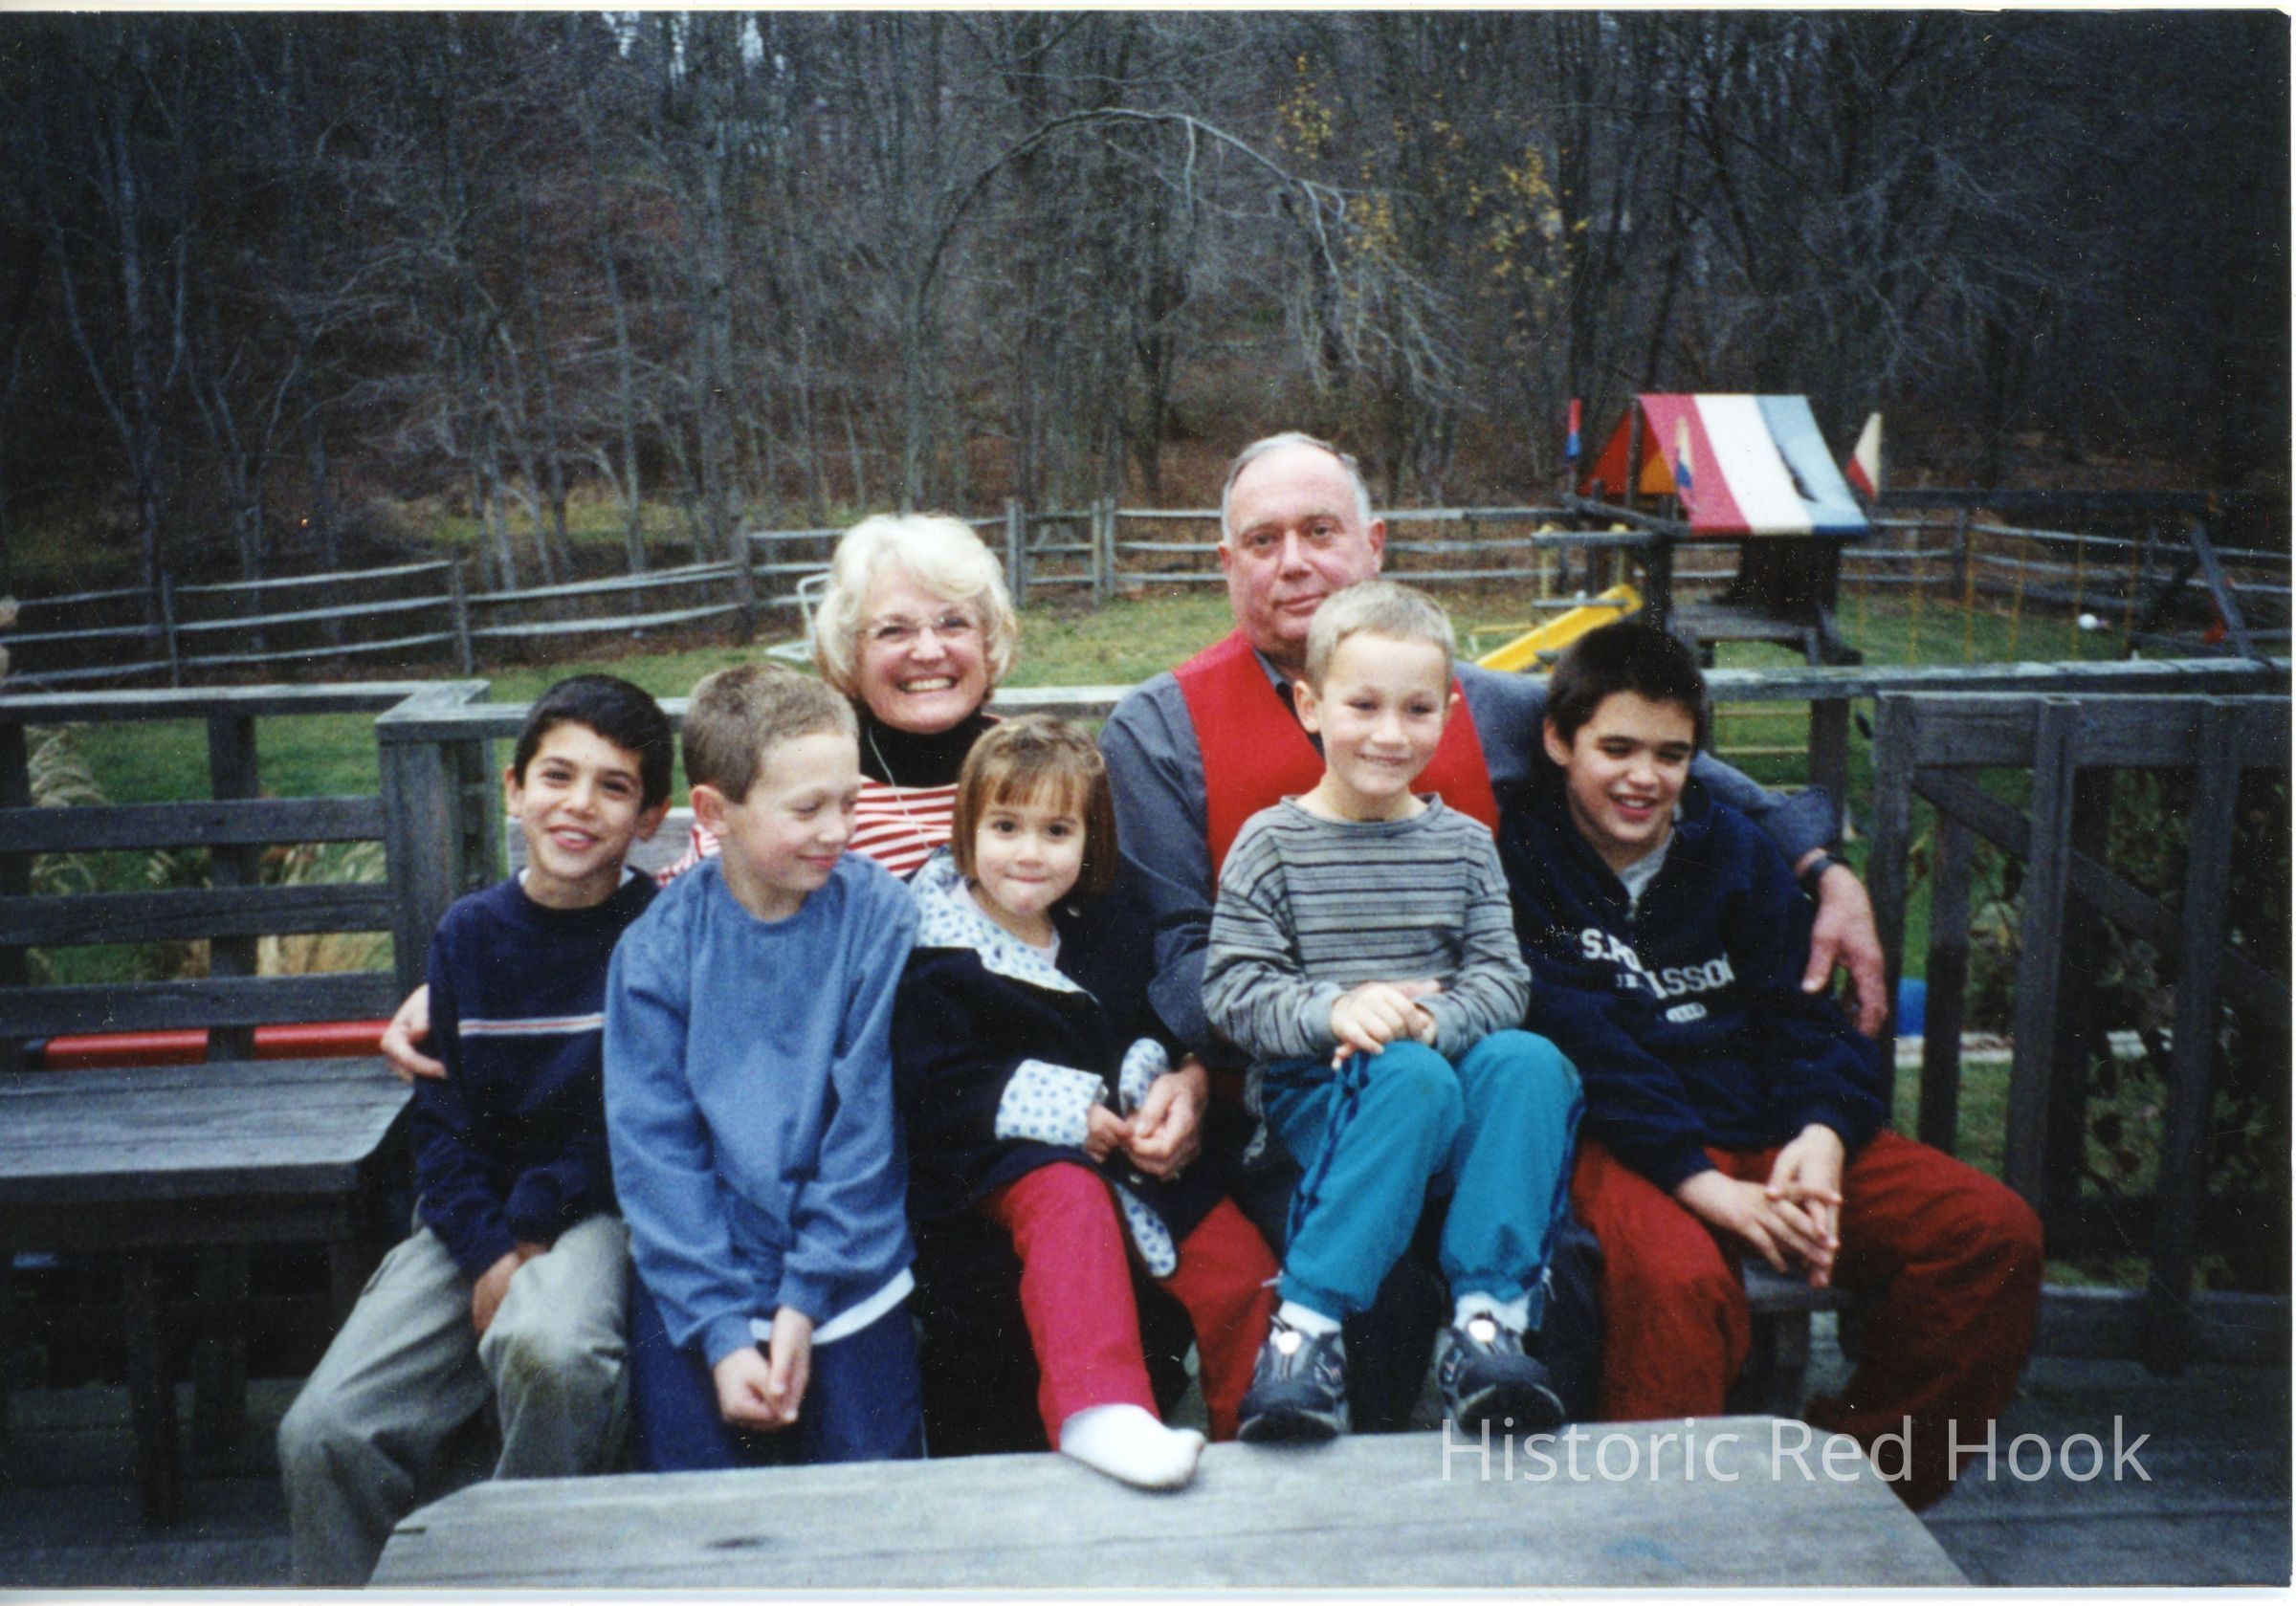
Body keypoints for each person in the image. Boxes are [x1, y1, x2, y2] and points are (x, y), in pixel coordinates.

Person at [1098, 429, 1886, 1426]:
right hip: (1292, 1096)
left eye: (1320, 531)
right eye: (1263, 540)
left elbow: (1649, 751)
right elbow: (1179, 957)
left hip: (1477, 1078)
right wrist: (1299, 1024)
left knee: (1570, 1278)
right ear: (1226, 564)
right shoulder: (1162, 729)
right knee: (1379, 1297)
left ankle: (1533, 1474)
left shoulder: (1474, 702)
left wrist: (1819, 862)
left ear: (1374, 544)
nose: (1292, 561)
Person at [376, 512, 1206, 1452]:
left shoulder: (1038, 771)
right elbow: (688, 932)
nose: (928, 649)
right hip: (856, 1166)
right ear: (846, 649)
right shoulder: (798, 767)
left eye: (954, 622)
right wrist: (469, 985)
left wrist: (1185, 1068)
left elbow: (1116, 943)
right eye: (893, 628)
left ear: (994, 637)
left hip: (975, 1151)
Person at [1497, 622, 2043, 1508]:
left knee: (1989, 1234)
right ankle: (1654, 1528)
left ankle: (1853, 1493)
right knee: (1678, 1285)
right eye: (1617, 748)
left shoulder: (1735, 853)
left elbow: (1806, 1019)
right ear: (1561, 741)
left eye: (1671, 755)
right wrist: (1704, 1185)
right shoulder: (1518, 859)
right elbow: (1582, 1042)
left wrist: (1821, 1133)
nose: (1644, 777)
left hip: (1767, 1131)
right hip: (1629, 1144)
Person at [276, 674, 674, 1585]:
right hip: (471, 1214)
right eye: (557, 776)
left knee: (553, 1351)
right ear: (513, 788)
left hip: (598, 1207)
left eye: (613, 786)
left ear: (650, 816)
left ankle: (518, 1574)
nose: (579, 804)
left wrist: (526, 1231)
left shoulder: (659, 933)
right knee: (324, 1428)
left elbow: (634, 1120)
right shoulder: (468, 933)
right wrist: (490, 1248)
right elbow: (443, 1119)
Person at [1203, 583, 1579, 1441]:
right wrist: (1336, 1009)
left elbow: (1501, 979)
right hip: (1321, 1098)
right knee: (1409, 1074)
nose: (1389, 733)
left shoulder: (1465, 846)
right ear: (1310, 704)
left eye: (1416, 709)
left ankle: (1487, 1325)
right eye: (1362, 705)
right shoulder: (1272, 843)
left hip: (1444, 1085)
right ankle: (1305, 1332)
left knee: (1530, 1060)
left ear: (1449, 712)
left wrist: (1434, 1022)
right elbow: (1233, 989)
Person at [893, 717, 1277, 1486]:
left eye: (1057, 830)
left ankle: (1260, 1427)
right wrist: (1067, 1108)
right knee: (1068, 1197)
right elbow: (933, 1082)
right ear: (967, 829)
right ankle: (1100, 1407)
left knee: (1240, 1267)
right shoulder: (935, 947)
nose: (1030, 853)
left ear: (1090, 838)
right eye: (1005, 826)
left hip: (1133, 1155)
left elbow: (1153, 1024)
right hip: (997, 1167)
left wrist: (1161, 1083)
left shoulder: (1105, 922)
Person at [604, 664, 923, 1469]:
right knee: (705, 1504)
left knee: (875, 1495)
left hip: (849, 1272)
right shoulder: (658, 949)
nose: (836, 830)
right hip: (699, 1281)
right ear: (715, 812)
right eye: (807, 809)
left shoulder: (880, 916)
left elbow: (867, 1128)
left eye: (849, 801)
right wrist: (720, 1329)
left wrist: (803, 1301)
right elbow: (655, 1150)